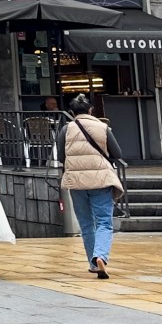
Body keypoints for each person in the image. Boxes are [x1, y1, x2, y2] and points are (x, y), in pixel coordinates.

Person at [59, 94, 123, 279]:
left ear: (72, 112)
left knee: (86, 224)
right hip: (100, 180)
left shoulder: (66, 129)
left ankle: (93, 263)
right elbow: (117, 152)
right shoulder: (103, 127)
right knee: (104, 221)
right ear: (90, 110)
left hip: (77, 182)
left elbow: (62, 157)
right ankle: (100, 256)